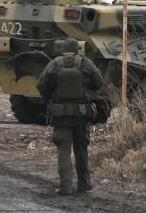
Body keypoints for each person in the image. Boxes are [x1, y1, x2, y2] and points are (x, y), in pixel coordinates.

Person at [36, 38, 105, 195]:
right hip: (82, 114)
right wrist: (86, 91)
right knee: (81, 149)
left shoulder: (55, 63)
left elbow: (41, 84)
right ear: (77, 50)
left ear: (63, 50)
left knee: (64, 150)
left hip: (61, 115)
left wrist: (51, 99)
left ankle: (66, 187)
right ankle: (84, 184)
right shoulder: (86, 63)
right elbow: (99, 83)